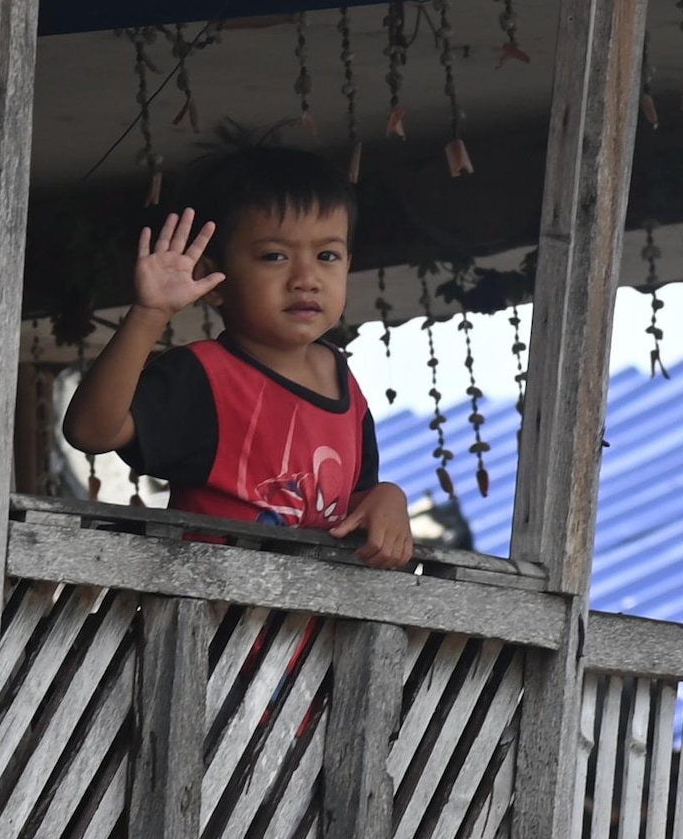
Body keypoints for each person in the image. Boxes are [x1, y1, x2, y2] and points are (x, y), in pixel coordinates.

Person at [61, 147, 419, 568]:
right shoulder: (205, 376)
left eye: (327, 256)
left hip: (309, 610)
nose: (307, 279)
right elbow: (91, 432)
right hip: (207, 605)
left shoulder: (344, 383)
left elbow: (346, 505)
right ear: (213, 279)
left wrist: (387, 497)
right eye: (275, 256)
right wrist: (149, 314)